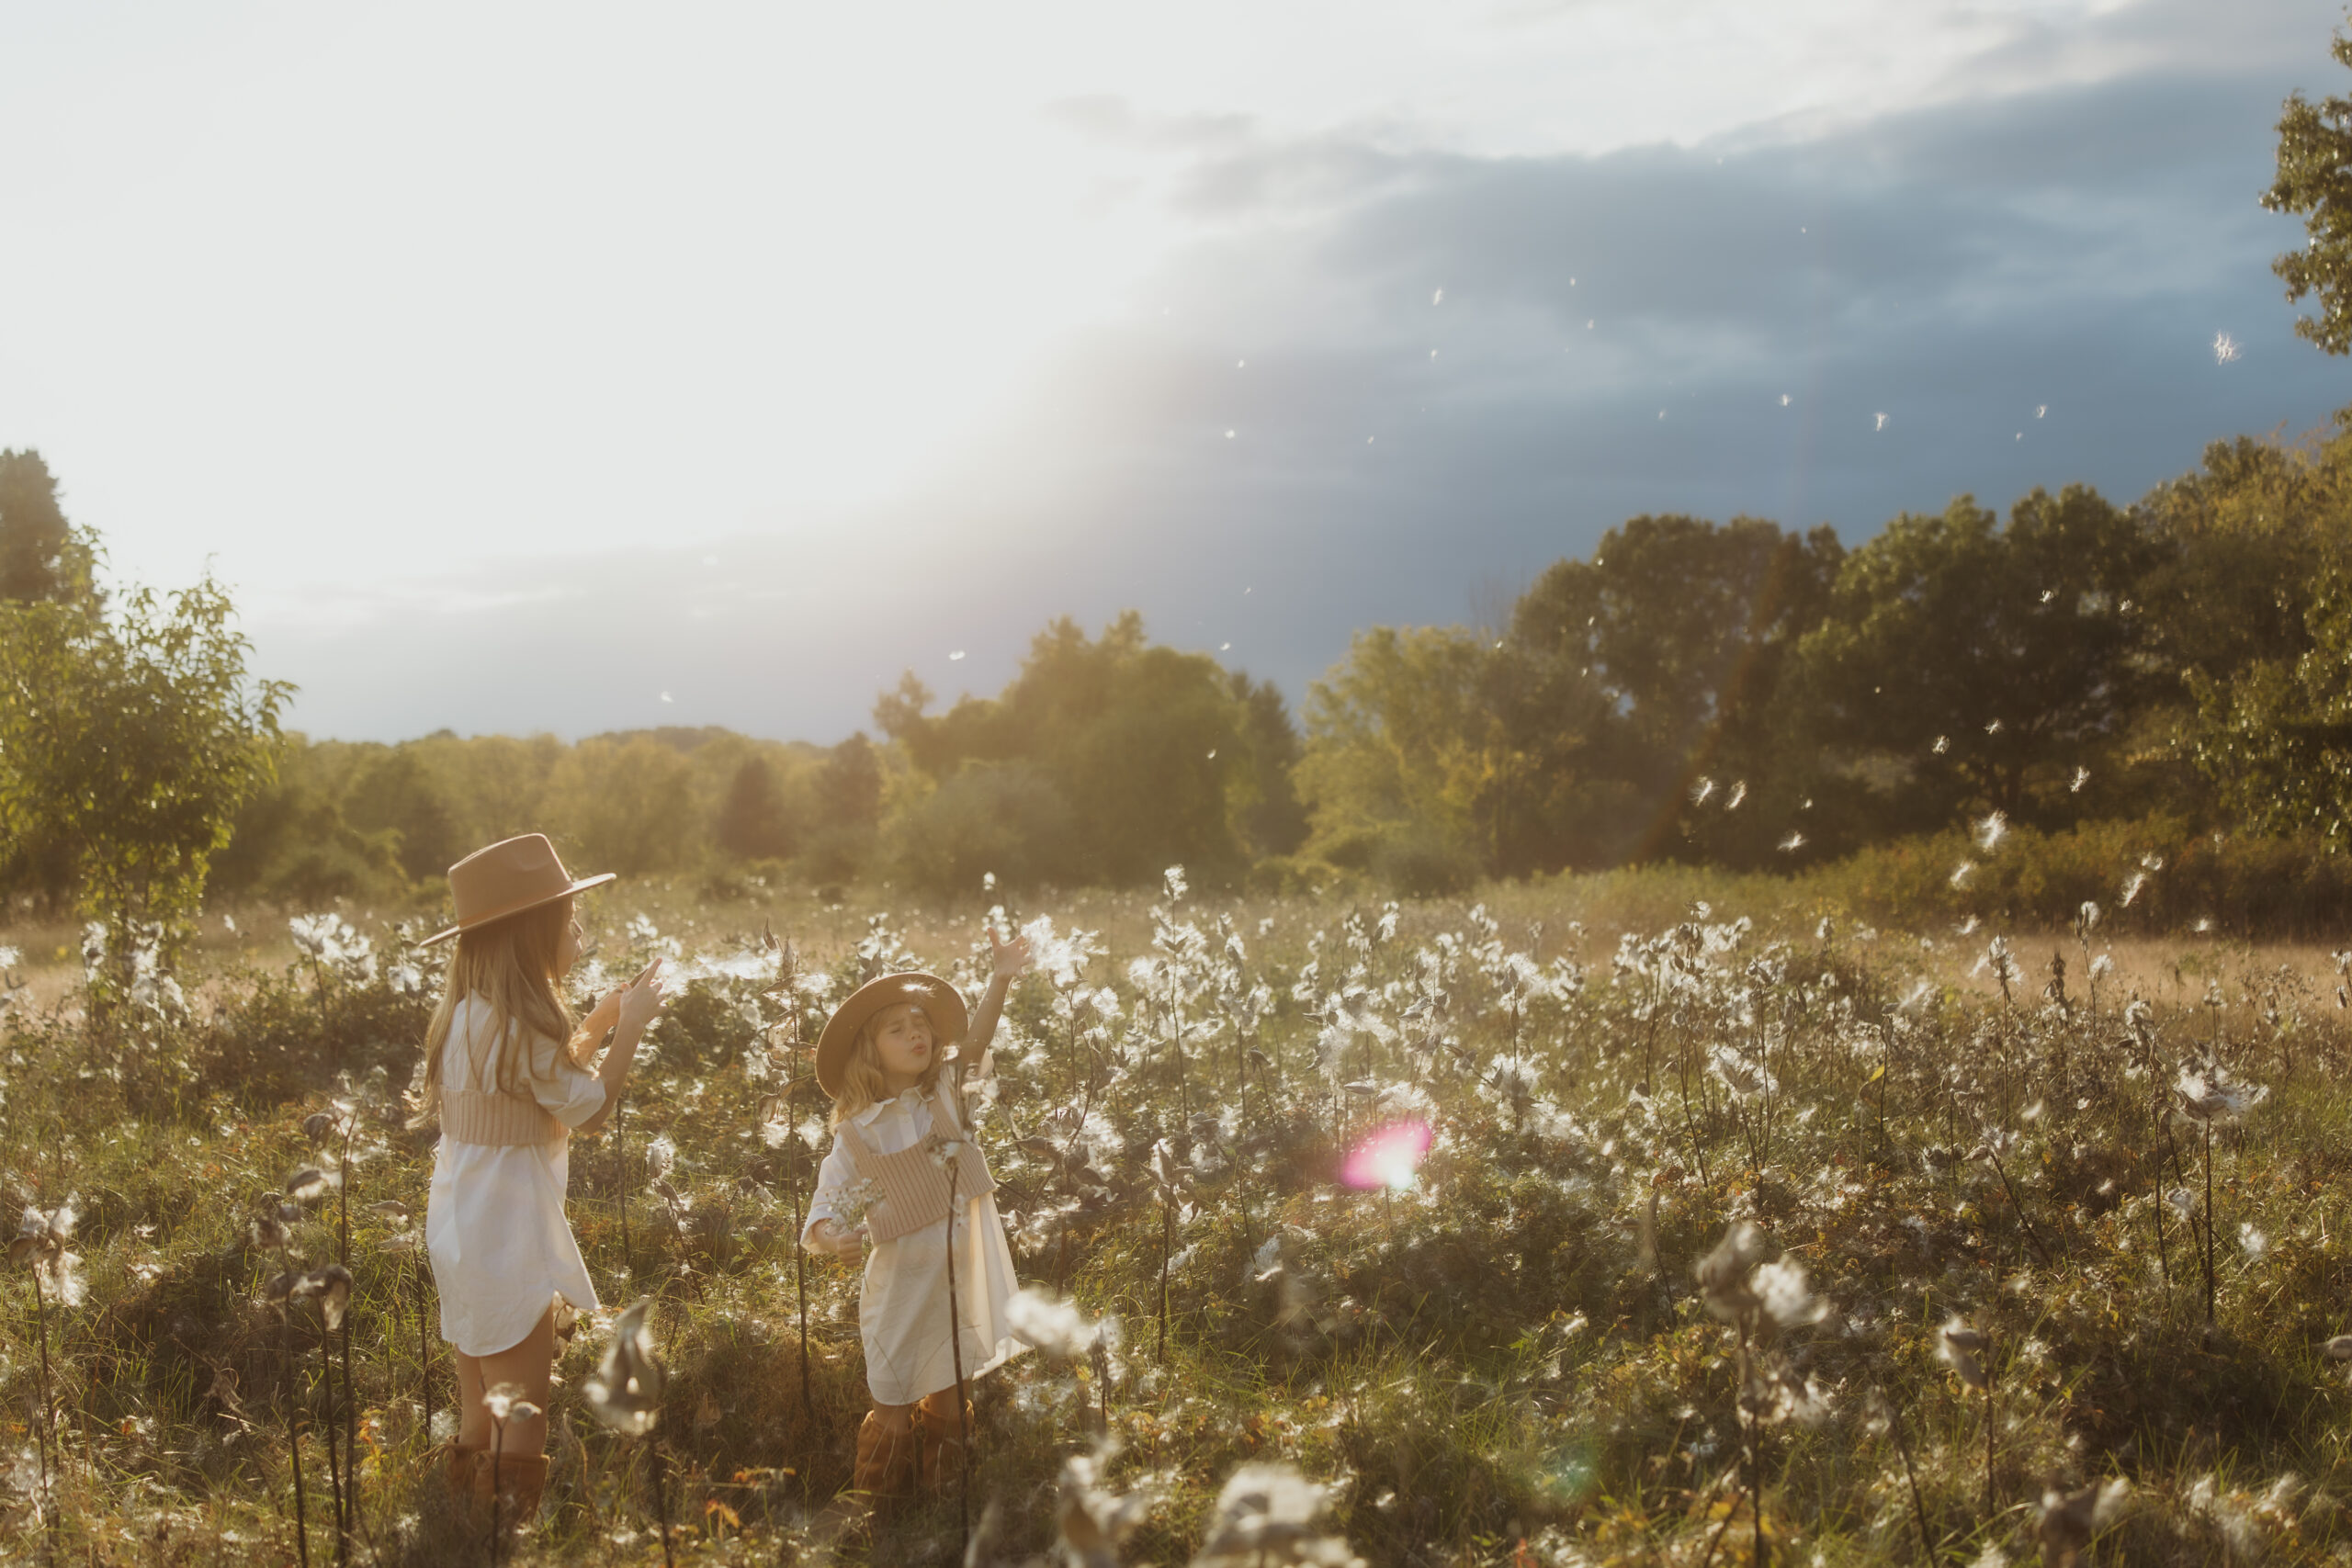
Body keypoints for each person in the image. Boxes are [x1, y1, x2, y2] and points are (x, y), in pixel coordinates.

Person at [413, 833, 670, 1531]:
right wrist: (631, 1032)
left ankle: (462, 1528)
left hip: (461, 1231)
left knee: (479, 1406)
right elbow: (587, 1109)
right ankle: (501, 1537)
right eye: (569, 920)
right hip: (509, 1238)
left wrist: (594, 1022)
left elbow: (534, 1086)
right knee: (523, 1410)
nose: (580, 931)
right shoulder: (524, 1026)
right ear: (531, 936)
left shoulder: (469, 1016)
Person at [802, 930, 1031, 1502]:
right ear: (869, 1049)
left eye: (921, 1025)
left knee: (951, 1398)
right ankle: (874, 1511)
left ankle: (940, 1509)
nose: (915, 1035)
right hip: (900, 1294)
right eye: (897, 1029)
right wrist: (837, 1240)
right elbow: (825, 1216)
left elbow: (976, 1044)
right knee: (894, 1404)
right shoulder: (858, 1136)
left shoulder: (947, 1099)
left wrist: (1000, 978)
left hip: (958, 1283)